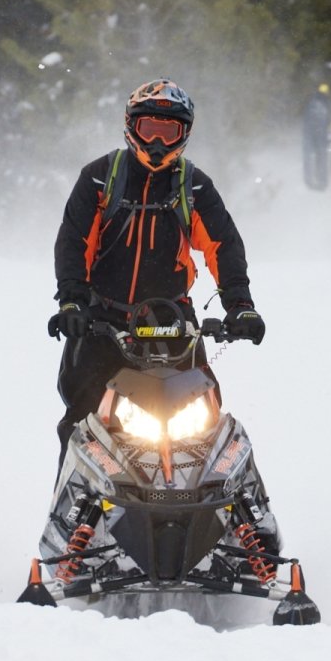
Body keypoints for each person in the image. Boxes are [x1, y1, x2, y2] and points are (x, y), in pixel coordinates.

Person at [47, 79, 265, 459]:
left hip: (173, 322)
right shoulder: (100, 178)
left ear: (185, 134)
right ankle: (71, 513)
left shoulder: (193, 186)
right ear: (132, 127)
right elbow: (74, 242)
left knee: (208, 422)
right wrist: (72, 302)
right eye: (150, 130)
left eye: (169, 132)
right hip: (103, 322)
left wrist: (240, 304)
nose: (157, 143)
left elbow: (223, 245)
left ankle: (238, 511)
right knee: (83, 423)